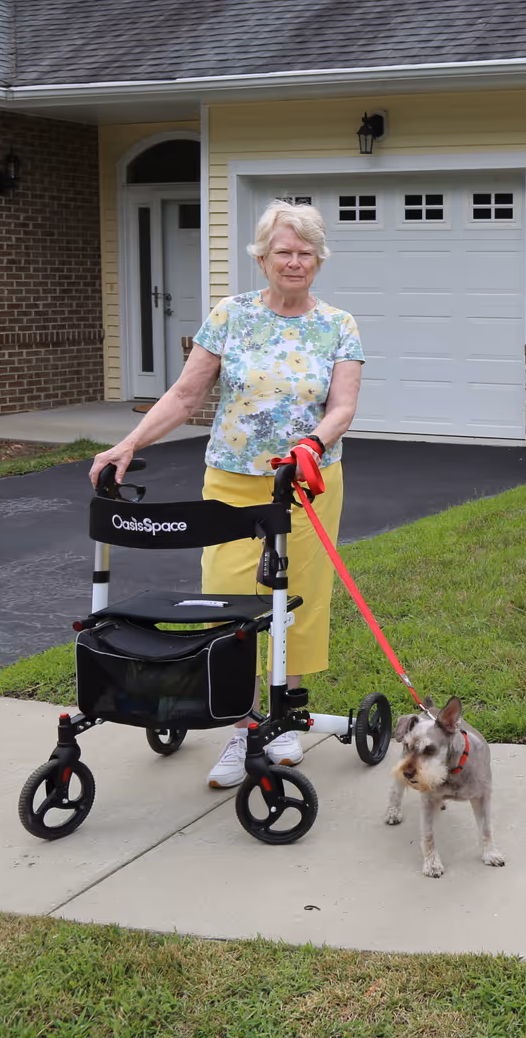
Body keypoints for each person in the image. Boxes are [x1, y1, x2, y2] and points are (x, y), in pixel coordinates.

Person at [90, 200, 364, 789]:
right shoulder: (230, 315)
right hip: (232, 482)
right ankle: (243, 727)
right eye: (283, 252)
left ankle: (286, 718)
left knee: (300, 599)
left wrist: (313, 443)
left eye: (305, 252)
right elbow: (185, 397)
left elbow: (342, 406)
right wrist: (129, 443)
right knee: (229, 599)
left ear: (319, 258)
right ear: (262, 258)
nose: (294, 262)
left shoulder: (338, 325)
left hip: (306, 482)